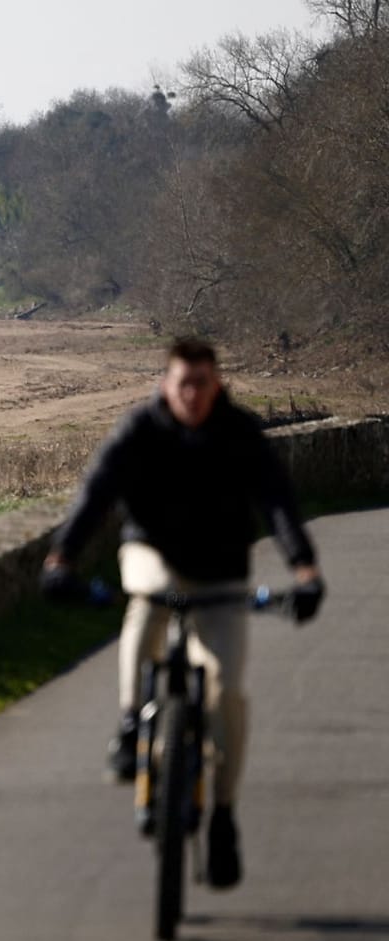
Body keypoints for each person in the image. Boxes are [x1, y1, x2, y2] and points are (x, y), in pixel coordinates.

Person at [41, 335, 324, 890]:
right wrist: (62, 557)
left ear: (217, 384)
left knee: (226, 691)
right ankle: (130, 724)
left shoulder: (239, 433)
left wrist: (305, 571)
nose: (193, 395)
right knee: (148, 600)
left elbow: (276, 502)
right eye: (183, 384)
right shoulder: (139, 429)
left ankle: (223, 818)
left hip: (222, 570)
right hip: (153, 550)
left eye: (203, 383)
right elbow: (96, 493)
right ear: (166, 385)